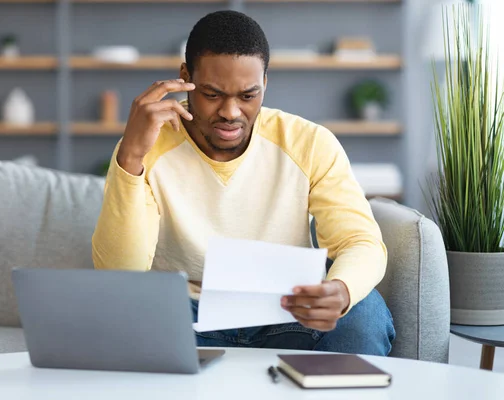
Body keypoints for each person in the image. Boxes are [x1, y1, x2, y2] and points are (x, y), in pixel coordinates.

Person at [92, 10, 395, 356]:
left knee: (365, 313)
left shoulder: (308, 143)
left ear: (265, 83)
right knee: (121, 316)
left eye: (248, 96)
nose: (231, 112)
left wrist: (340, 290)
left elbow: (360, 241)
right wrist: (130, 158)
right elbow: (120, 272)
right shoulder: (146, 146)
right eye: (212, 94)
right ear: (184, 77)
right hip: (188, 315)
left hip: (286, 310)